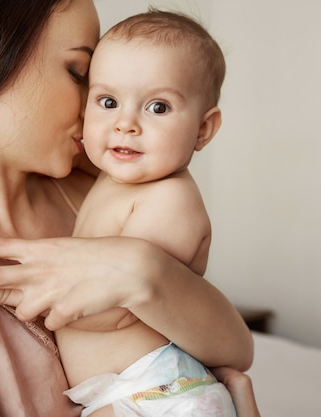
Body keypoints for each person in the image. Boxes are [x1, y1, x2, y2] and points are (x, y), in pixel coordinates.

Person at [0, 1, 258, 417]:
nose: (93, 109)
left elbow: (238, 349)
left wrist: (143, 270)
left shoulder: (98, 190)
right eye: (81, 74)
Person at [47, 9, 234, 417]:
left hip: (160, 392)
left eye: (158, 107)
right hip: (127, 389)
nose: (125, 124)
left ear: (203, 130)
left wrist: (32, 296)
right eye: (108, 101)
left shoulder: (170, 200)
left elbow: (114, 308)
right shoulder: (107, 179)